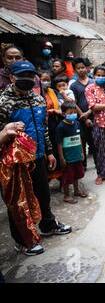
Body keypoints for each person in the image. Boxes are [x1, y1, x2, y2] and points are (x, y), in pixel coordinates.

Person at [0, 61, 72, 252]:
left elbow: (44, 129)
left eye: (31, 76)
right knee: (18, 202)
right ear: (12, 77)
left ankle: (48, 225)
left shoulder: (38, 99)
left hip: (38, 156)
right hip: (15, 162)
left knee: (43, 194)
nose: (27, 80)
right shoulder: (3, 102)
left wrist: (49, 152)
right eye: (22, 75)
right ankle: (23, 240)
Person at [0, 121, 45, 256]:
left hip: (14, 162)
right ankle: (23, 241)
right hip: (7, 164)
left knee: (25, 199)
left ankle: (30, 238)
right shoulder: (5, 103)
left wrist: (5, 133)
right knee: (16, 204)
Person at [56, 102, 87, 204]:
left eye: (75, 112)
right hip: (68, 157)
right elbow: (59, 143)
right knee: (67, 176)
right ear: (64, 113)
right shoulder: (61, 127)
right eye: (70, 112)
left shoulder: (77, 124)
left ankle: (76, 190)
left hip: (77, 154)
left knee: (77, 174)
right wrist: (61, 158)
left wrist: (82, 152)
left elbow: (80, 139)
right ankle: (66, 195)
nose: (73, 114)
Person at [70, 57, 95, 169]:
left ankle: (98, 164)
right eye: (78, 68)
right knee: (82, 142)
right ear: (75, 70)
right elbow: (73, 103)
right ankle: (83, 166)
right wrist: (83, 116)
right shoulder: (73, 85)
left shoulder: (93, 82)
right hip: (80, 119)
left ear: (87, 68)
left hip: (94, 115)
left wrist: (89, 112)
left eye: (82, 67)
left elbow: (97, 100)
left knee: (94, 141)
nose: (81, 70)